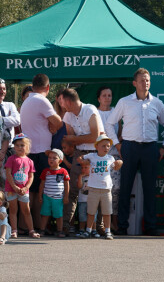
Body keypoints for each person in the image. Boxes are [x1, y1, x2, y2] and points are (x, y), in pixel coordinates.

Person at [105, 68, 164, 236]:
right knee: (125, 187)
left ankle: (150, 226)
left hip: (150, 148)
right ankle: (122, 226)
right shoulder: (125, 102)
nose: (146, 83)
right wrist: (117, 144)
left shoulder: (156, 103)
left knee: (149, 188)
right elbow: (109, 123)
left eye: (148, 80)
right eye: (142, 80)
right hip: (129, 147)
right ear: (135, 83)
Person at [19, 74, 62, 230]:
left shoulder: (27, 100)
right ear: (48, 87)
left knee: (29, 191)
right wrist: (52, 126)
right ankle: (37, 226)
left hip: (29, 151)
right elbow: (59, 122)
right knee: (39, 193)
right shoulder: (41, 100)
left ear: (32, 85)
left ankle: (26, 225)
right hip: (40, 153)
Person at [58, 88, 103, 235]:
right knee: (72, 190)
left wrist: (74, 139)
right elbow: (72, 141)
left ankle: (99, 226)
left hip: (95, 153)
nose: (61, 105)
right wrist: (76, 139)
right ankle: (65, 226)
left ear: (69, 102)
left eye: (62, 102)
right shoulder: (67, 116)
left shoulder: (90, 110)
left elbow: (94, 137)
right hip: (79, 154)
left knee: (98, 190)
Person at [77, 135, 123, 240]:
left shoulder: (110, 158)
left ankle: (108, 231)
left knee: (107, 212)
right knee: (91, 212)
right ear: (97, 146)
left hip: (106, 189)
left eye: (108, 146)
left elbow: (116, 167)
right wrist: (83, 162)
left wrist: (119, 163)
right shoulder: (92, 156)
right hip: (93, 188)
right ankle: (88, 230)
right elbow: (80, 158)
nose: (106, 148)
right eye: (103, 146)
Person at [96, 86, 122, 231]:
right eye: (104, 95)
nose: (107, 98)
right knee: (100, 188)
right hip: (99, 155)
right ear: (99, 98)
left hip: (114, 154)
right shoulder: (95, 112)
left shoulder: (115, 112)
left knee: (115, 188)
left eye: (110, 95)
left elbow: (120, 131)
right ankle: (100, 223)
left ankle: (114, 220)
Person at [4, 133, 40, 238]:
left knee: (26, 210)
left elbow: (31, 176)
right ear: (14, 147)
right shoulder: (11, 159)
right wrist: (15, 187)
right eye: (17, 145)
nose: (20, 147)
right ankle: (14, 230)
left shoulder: (29, 161)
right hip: (11, 189)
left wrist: (26, 187)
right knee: (13, 210)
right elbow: (8, 173)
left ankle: (31, 230)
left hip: (24, 190)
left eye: (22, 145)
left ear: (27, 147)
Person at [38, 148, 70, 238]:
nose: (51, 159)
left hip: (58, 198)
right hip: (47, 197)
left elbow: (67, 184)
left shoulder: (63, 171)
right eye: (49, 157)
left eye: (54, 158)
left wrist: (66, 196)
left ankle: (60, 230)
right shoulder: (46, 171)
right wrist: (40, 195)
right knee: (45, 214)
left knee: (59, 215)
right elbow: (42, 184)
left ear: (60, 160)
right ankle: (42, 229)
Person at [0, 77, 21, 148]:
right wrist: (9, 119)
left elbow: (17, 121)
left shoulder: (10, 105)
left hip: (11, 147)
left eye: (4, 89)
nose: (2, 91)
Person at [76, 164, 91, 238]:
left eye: (86, 167)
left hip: (92, 200)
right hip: (82, 200)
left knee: (92, 216)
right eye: (82, 168)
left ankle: (92, 230)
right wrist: (80, 177)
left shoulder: (94, 177)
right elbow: (79, 186)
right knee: (82, 216)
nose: (83, 169)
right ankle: (81, 229)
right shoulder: (81, 177)